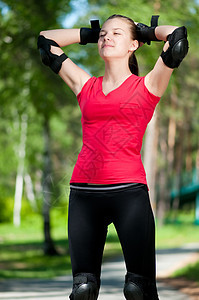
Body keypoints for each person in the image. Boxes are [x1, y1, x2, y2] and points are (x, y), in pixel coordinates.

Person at [37, 14, 188, 300]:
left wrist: (146, 31)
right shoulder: (85, 85)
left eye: (117, 34)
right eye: (104, 33)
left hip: (128, 192)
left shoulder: (148, 85)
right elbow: (46, 40)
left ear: (134, 44)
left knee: (139, 290)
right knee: (83, 290)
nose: (108, 37)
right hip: (83, 193)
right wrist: (92, 35)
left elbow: (177, 38)